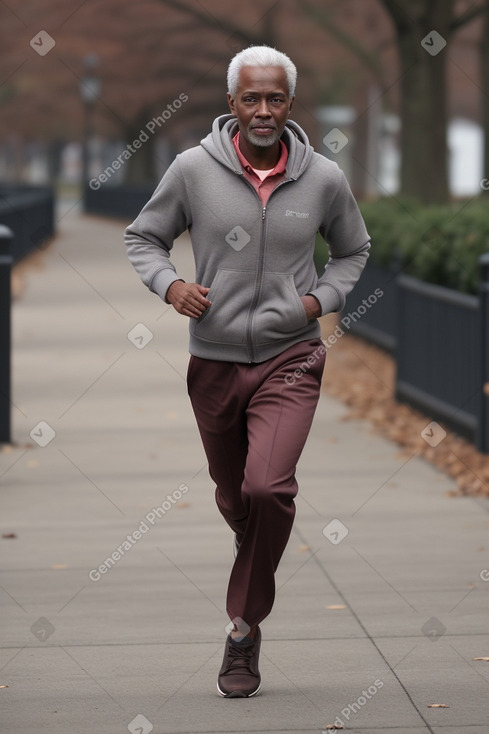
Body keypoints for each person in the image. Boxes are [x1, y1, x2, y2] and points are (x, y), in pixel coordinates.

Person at [125, 45, 370, 698]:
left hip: (291, 357)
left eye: (275, 98)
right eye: (251, 98)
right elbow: (142, 237)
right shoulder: (191, 171)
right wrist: (170, 287)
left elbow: (353, 250)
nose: (263, 110)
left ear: (290, 105)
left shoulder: (322, 179)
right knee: (236, 500)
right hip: (213, 362)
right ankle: (250, 550)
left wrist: (318, 302)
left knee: (267, 491)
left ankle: (243, 628)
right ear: (231, 105)